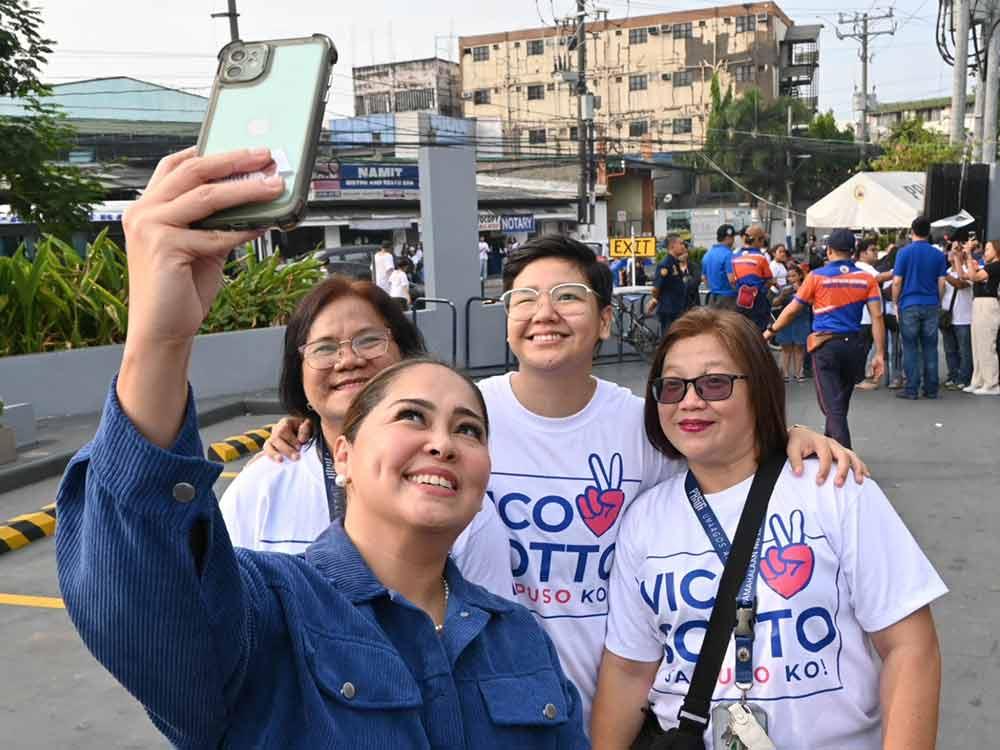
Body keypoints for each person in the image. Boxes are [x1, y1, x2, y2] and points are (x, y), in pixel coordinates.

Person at [54, 147, 588, 748]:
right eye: (412, 416)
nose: (442, 442)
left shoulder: (517, 637)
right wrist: (159, 338)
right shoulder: (270, 614)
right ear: (344, 454)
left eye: (469, 430)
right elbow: (145, 588)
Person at [264, 235, 869, 730]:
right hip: (479, 710)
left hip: (613, 711)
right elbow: (374, 431)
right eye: (523, 298)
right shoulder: (464, 413)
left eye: (568, 297)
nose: (543, 313)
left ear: (606, 320)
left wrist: (783, 439)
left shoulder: (647, 424)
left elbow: (724, 458)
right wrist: (307, 426)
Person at [590, 308, 945, 749]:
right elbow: (629, 671)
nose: (690, 402)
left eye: (715, 383)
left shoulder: (832, 488)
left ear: (758, 389)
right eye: (672, 386)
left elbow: (909, 648)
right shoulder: (644, 520)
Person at [217, 275, 512, 596]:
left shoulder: (454, 497)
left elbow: (491, 630)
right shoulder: (261, 489)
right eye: (324, 348)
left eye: (369, 340)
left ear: (406, 355)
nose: (348, 360)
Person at [765, 229, 885, 449]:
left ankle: (845, 460)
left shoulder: (816, 277)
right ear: (853, 252)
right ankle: (833, 449)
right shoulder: (867, 279)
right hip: (855, 347)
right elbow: (877, 315)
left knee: (833, 408)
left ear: (829, 251)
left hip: (826, 347)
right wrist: (879, 354)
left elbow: (792, 310)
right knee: (838, 405)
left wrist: (770, 332)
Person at [892, 216, 948, 400]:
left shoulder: (903, 253)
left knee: (910, 347)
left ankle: (912, 389)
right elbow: (942, 283)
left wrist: (895, 302)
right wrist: (937, 301)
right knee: (930, 347)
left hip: (909, 304)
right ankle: (931, 389)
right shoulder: (938, 255)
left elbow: (897, 281)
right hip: (931, 303)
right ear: (928, 232)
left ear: (912, 231)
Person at [960, 239, 1000, 395]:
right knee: (977, 345)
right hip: (978, 304)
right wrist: (963, 257)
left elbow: (974, 277)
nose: (985, 252)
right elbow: (968, 276)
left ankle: (991, 383)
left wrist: (969, 254)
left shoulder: (996, 266)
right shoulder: (987, 267)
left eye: (989, 249)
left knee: (986, 345)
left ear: (997, 251)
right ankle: (978, 381)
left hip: (989, 305)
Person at [941, 242, 975, 391]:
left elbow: (961, 284)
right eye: (949, 249)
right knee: (949, 350)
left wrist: (945, 274)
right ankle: (953, 376)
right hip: (947, 317)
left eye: (955, 249)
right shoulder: (947, 271)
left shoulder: (968, 270)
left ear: (962, 253)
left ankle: (964, 378)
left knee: (964, 350)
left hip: (964, 317)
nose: (951, 252)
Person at [731, 224, 775, 331]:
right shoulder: (761, 257)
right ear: (758, 240)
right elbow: (769, 280)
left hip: (740, 299)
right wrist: (763, 291)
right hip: (758, 300)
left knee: (743, 331)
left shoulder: (734, 256)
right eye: (762, 240)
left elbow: (732, 280)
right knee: (759, 331)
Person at [772, 264, 810, 383]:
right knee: (786, 348)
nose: (790, 279)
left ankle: (799, 372)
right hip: (786, 321)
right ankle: (785, 373)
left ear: (800, 276)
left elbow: (812, 302)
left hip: (802, 320)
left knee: (799, 347)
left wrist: (801, 292)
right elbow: (774, 303)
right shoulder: (784, 288)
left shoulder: (806, 287)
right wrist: (783, 295)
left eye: (793, 276)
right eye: (788, 276)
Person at [854, 240, 882, 391]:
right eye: (873, 249)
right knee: (861, 349)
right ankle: (858, 379)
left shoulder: (867, 267)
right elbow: (878, 278)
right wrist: (898, 271)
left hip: (866, 316)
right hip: (864, 317)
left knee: (863, 348)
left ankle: (858, 377)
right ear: (863, 253)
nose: (876, 252)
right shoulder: (862, 267)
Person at [647, 234, 688, 335]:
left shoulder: (675, 263)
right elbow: (656, 287)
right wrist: (654, 300)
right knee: (668, 337)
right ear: (672, 246)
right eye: (681, 243)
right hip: (668, 308)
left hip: (677, 306)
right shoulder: (665, 264)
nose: (683, 246)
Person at [701, 224, 737, 309]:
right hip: (728, 299)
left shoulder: (707, 254)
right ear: (728, 238)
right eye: (733, 238)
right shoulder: (729, 254)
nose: (734, 240)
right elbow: (732, 280)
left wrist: (714, 288)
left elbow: (703, 278)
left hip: (712, 298)